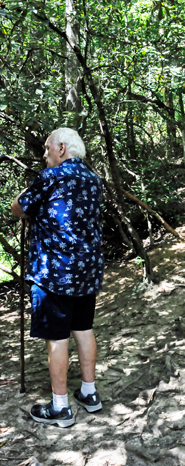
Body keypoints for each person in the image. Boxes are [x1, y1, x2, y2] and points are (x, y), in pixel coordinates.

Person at [11, 128, 104, 428]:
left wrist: (25, 195)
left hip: (55, 273)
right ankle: (89, 393)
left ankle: (60, 406)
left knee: (57, 338)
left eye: (48, 148)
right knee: (83, 329)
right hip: (87, 271)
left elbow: (18, 209)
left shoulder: (49, 178)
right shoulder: (94, 180)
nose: (44, 154)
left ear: (61, 148)